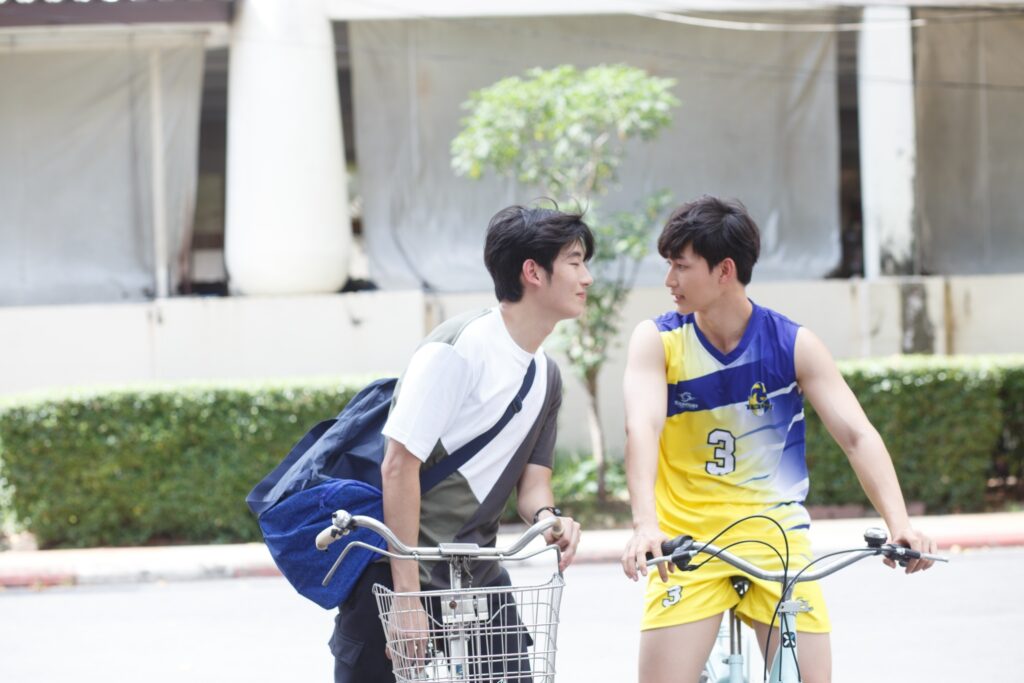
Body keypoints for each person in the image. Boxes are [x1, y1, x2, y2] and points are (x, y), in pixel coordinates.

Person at [619, 195, 935, 683]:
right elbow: (642, 429)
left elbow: (856, 435)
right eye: (669, 266)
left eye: (681, 266)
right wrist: (646, 525)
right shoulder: (657, 340)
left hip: (776, 543)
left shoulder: (792, 344)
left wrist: (900, 524)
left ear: (725, 270)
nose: (669, 280)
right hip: (686, 547)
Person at [331, 204, 591, 682]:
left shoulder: (545, 375)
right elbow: (398, 466)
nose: (587, 277)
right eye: (575, 262)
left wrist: (548, 520)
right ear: (533, 272)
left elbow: (533, 484)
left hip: (478, 574)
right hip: (399, 574)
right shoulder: (458, 348)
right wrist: (406, 600)